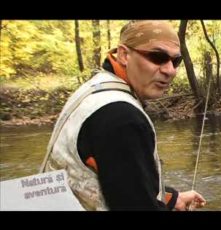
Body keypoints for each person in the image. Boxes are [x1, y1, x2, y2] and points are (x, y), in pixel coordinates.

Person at [40, 20, 206, 211]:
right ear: (124, 55)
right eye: (157, 57)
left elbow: (118, 183)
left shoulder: (95, 88)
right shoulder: (123, 119)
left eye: (175, 61)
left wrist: (170, 198)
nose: (170, 70)